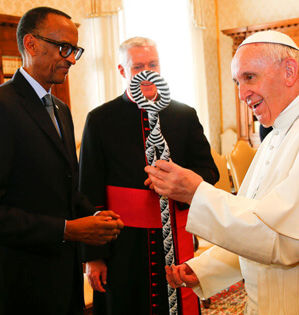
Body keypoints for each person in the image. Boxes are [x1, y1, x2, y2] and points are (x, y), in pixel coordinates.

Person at [145, 30, 299, 314]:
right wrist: (207, 268)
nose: (242, 93)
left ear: (289, 71)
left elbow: (286, 240)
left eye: (250, 77)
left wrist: (197, 193)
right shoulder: (281, 129)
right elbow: (259, 221)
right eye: (238, 82)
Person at [0, 7, 123, 315]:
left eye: (75, 50)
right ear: (32, 45)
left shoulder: (60, 109)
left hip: (63, 273)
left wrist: (97, 215)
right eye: (64, 48)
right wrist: (67, 230)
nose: (72, 59)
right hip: (19, 280)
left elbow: (64, 186)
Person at [79, 36, 219, 315]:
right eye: (137, 66)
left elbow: (209, 172)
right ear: (122, 71)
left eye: (152, 64)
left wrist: (178, 183)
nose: (146, 72)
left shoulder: (184, 115)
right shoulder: (100, 119)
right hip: (122, 244)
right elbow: (88, 191)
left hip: (176, 234)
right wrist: (94, 257)